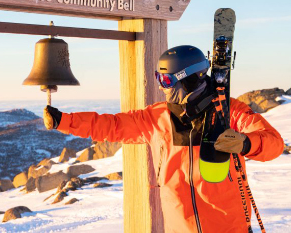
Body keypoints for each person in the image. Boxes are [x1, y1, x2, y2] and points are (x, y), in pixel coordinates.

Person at [43, 45, 284, 233]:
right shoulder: (156, 117)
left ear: (190, 79)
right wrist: (64, 121)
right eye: (160, 79)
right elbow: (112, 126)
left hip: (228, 227)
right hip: (179, 227)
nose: (163, 87)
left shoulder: (230, 111)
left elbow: (274, 143)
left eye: (167, 80)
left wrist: (246, 143)